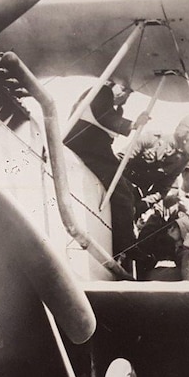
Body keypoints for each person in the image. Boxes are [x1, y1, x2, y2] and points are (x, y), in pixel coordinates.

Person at [63, 81, 150, 260]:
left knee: (130, 191)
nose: (127, 96)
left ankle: (120, 239)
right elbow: (105, 117)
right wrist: (133, 124)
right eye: (127, 91)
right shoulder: (102, 92)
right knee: (123, 195)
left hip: (96, 152)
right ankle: (125, 245)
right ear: (117, 87)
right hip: (87, 151)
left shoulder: (113, 106)